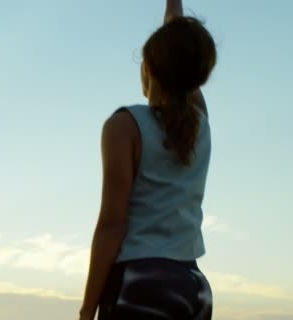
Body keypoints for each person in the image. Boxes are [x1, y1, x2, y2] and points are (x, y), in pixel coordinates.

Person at [79, 0, 217, 319]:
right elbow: (178, 38)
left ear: (148, 67)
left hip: (141, 283)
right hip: (193, 287)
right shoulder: (200, 123)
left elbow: (112, 224)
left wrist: (87, 309)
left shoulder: (124, 126)